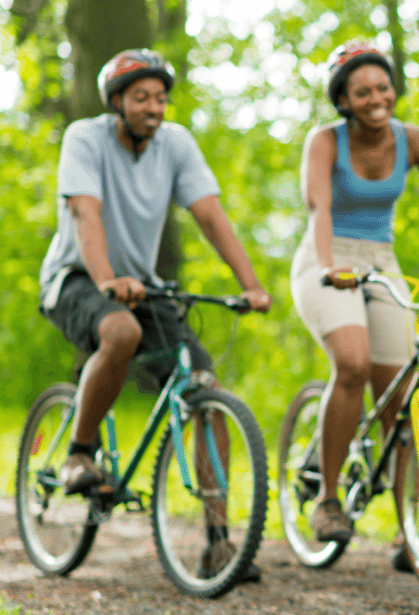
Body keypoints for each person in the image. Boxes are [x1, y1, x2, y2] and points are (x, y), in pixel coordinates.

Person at [38, 49, 272, 580]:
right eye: (141, 97)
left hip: (142, 287)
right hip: (75, 277)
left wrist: (251, 285)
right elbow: (84, 211)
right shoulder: (85, 137)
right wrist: (104, 280)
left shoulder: (176, 144)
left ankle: (218, 542)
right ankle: (78, 452)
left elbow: (210, 215)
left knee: (204, 388)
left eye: (161, 98)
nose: (154, 107)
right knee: (119, 330)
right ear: (117, 101)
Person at [289, 40, 419, 565]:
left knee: (403, 395)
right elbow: (320, 209)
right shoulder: (325, 142)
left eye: (382, 87)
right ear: (343, 99)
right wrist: (327, 267)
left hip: (381, 260)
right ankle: (328, 498)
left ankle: (407, 533)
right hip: (327, 256)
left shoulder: (415, 141)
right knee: (354, 364)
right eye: (362, 91)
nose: (376, 97)